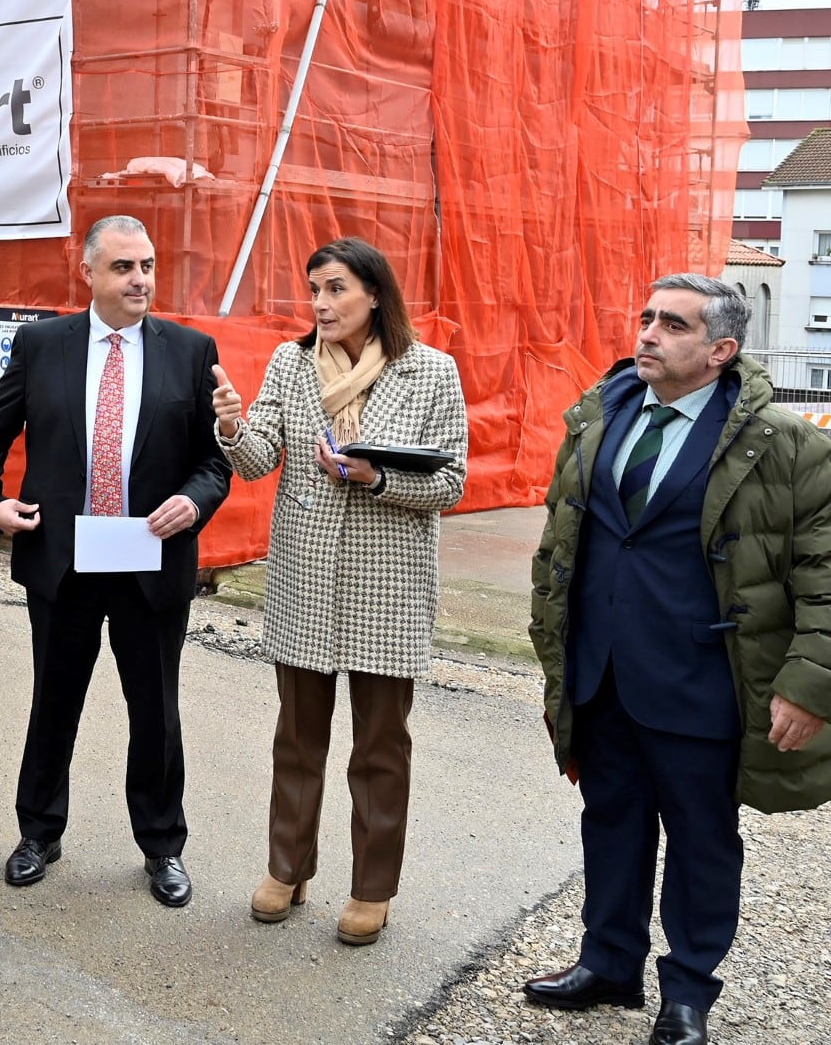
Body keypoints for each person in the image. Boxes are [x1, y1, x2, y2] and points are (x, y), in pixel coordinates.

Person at [522, 274, 831, 1045]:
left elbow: (824, 575)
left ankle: (688, 991)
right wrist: (557, 653)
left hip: (704, 680)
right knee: (612, 821)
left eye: (673, 324)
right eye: (647, 317)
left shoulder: (786, 445)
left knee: (701, 838)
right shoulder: (601, 413)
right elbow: (567, 541)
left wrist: (807, 685)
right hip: (603, 674)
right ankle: (609, 962)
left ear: (721, 351)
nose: (649, 333)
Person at [0, 215, 231, 907]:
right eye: (123, 267)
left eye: (146, 265)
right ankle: (39, 833)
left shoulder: (191, 351)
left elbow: (214, 460)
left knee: (156, 714)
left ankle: (163, 846)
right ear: (87, 273)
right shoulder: (42, 344)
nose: (139, 279)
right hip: (64, 562)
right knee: (53, 705)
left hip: (151, 564)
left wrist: (192, 502)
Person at [210, 237, 468, 945]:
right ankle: (286, 869)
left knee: (381, 744)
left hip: (389, 581)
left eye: (336, 289)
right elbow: (260, 459)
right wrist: (232, 426)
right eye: (314, 289)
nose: (321, 304)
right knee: (297, 737)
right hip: (305, 576)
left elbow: (449, 484)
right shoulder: (291, 364)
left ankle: (371, 888)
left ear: (375, 294)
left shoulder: (431, 372)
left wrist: (373, 478)